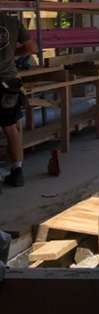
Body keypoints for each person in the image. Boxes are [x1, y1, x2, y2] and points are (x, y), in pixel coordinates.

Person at [1, 14, 37, 188]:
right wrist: (12, 54)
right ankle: (17, 171)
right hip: (9, 82)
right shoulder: (13, 22)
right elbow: (31, 48)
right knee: (10, 127)